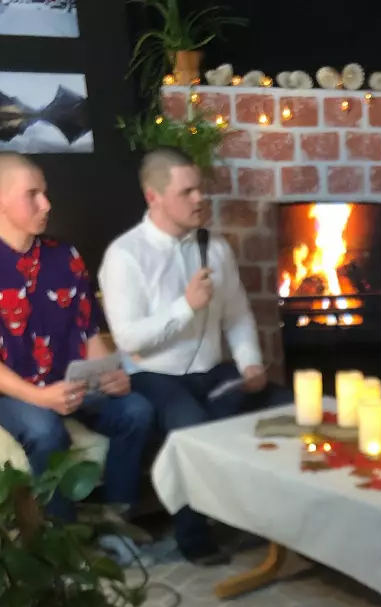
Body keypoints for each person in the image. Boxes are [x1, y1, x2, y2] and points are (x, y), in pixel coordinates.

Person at [99, 147, 291, 565]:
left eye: (199, 189)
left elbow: (238, 315)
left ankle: (278, 516)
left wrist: (249, 362)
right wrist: (185, 306)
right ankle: (194, 537)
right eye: (186, 192)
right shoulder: (126, 255)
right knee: (191, 425)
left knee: (284, 404)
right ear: (153, 197)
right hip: (153, 375)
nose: (200, 199)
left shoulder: (215, 247)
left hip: (212, 371)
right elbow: (129, 338)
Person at [0, 153, 152, 522]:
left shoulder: (65, 256)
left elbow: (88, 330)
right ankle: (62, 540)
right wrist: (40, 397)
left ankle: (118, 523)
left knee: (136, 411)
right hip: (9, 393)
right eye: (32, 194)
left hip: (71, 384)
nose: (46, 204)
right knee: (46, 430)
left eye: (45, 193)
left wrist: (109, 373)